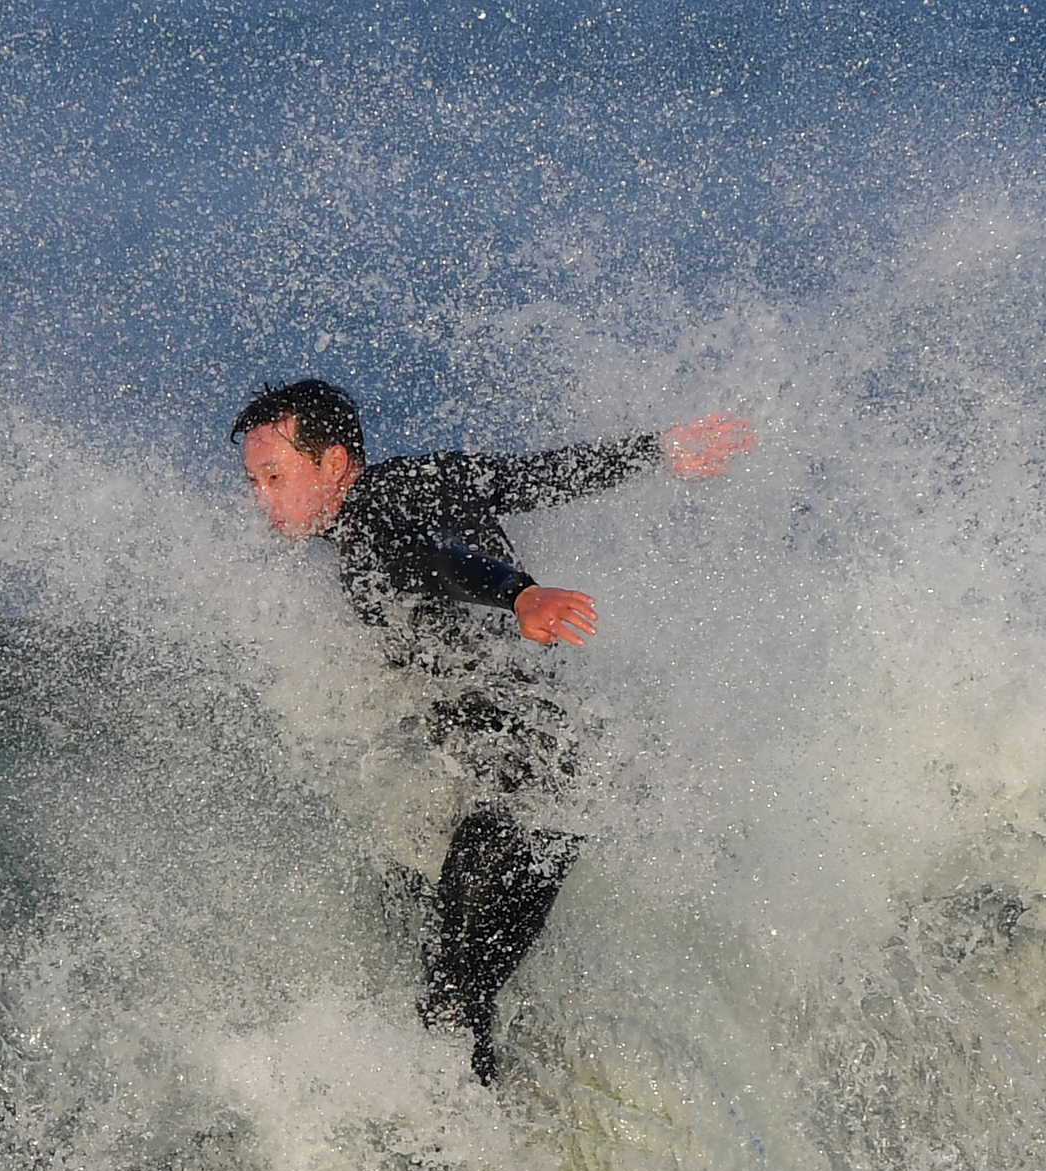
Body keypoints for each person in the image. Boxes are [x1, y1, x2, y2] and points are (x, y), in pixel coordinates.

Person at [231, 378, 756, 1082]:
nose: (262, 499)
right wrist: (655, 451)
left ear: (333, 463)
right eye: (255, 481)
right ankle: (510, 1128)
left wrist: (519, 594)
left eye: (275, 476)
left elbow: (435, 558)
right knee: (459, 995)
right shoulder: (425, 476)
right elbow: (535, 477)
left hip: (520, 785)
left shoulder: (369, 521)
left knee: (450, 1009)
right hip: (555, 774)